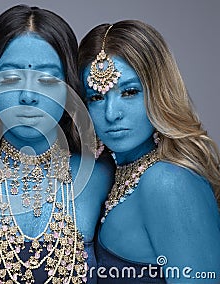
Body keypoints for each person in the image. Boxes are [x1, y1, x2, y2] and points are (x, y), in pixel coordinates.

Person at [0, 5, 114, 283]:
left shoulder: (102, 175)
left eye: (48, 78)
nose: (28, 95)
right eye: (12, 77)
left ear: (69, 89)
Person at [78, 20, 220, 283]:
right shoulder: (113, 172)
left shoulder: (169, 181)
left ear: (158, 91)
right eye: (96, 98)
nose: (112, 114)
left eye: (129, 92)